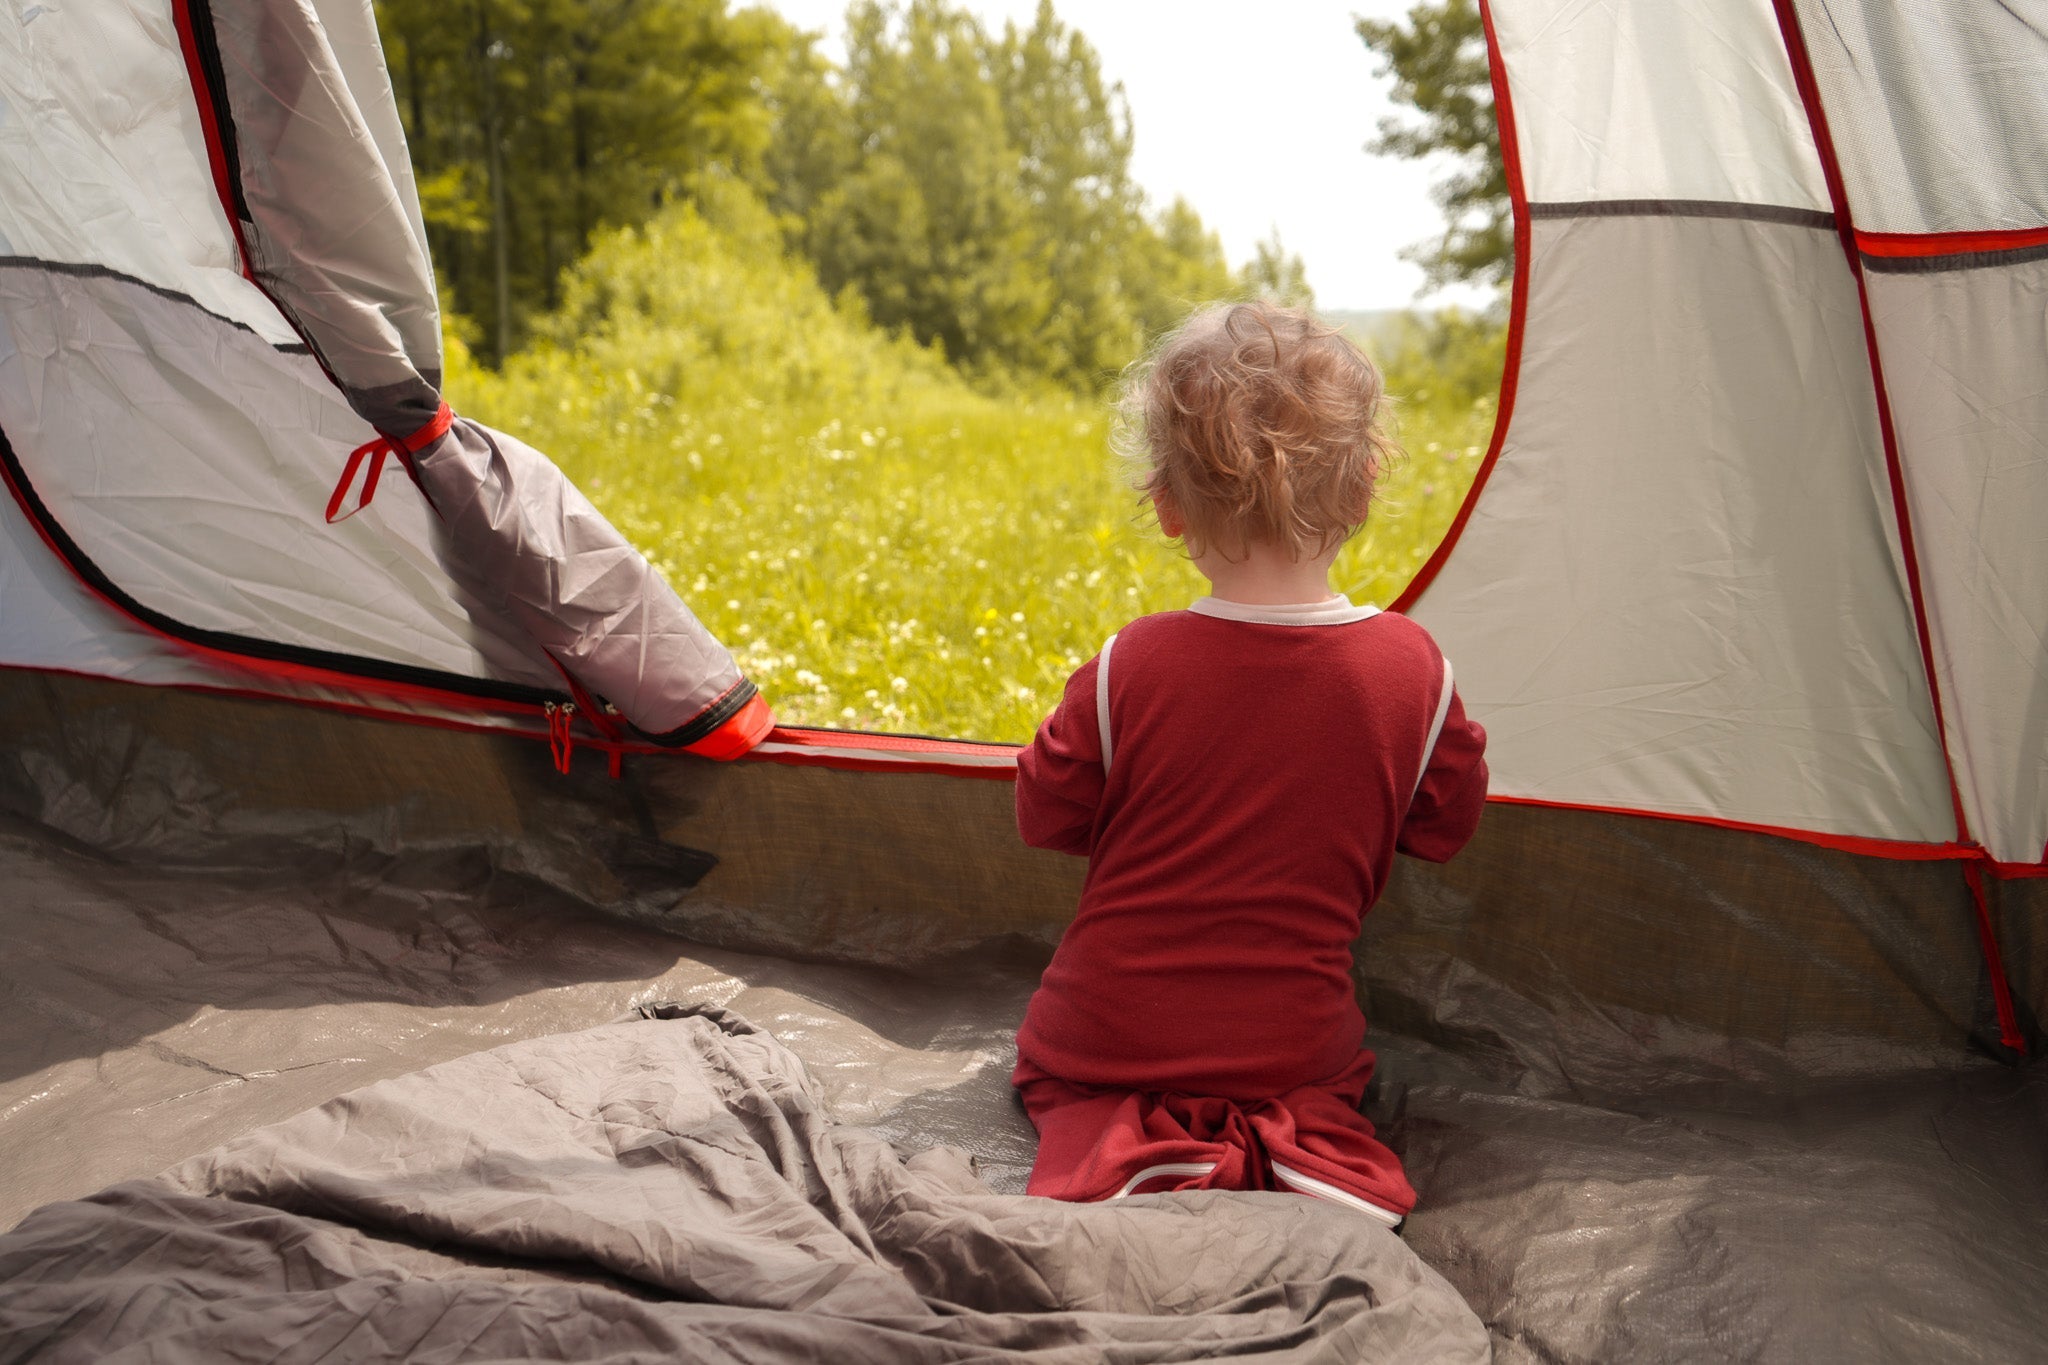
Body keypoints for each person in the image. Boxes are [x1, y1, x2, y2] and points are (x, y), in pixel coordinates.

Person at [1010, 300, 1488, 1228]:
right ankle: (1287, 1147)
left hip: (1094, 1041)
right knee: (1315, 1079)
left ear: (1167, 506)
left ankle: (1147, 1154)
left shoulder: (1128, 664)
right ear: (1364, 489)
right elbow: (1445, 826)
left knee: (1071, 1084)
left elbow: (1044, 812)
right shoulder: (1414, 672)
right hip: (1292, 1051)